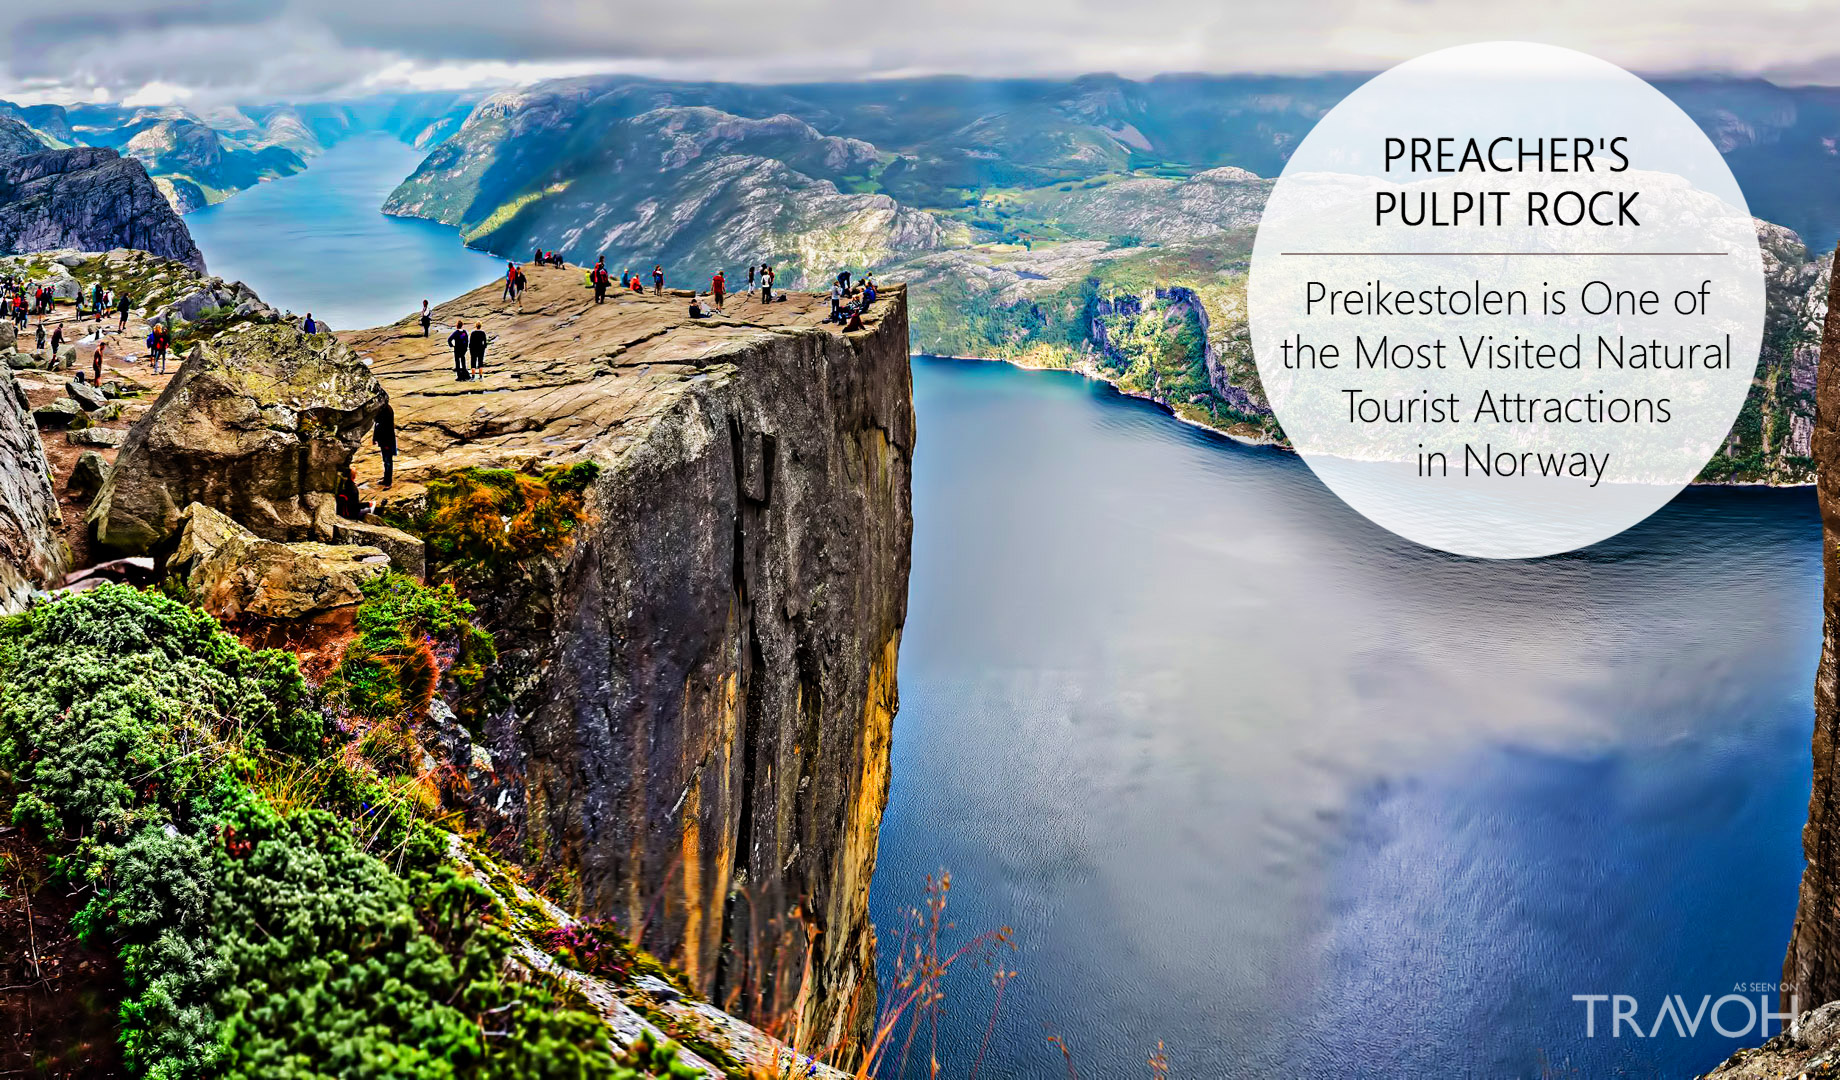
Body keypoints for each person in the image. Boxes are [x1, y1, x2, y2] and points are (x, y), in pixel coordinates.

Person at [373, 401, 397, 488]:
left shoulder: (387, 411)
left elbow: (388, 429)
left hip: (387, 441)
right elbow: (377, 425)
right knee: (385, 461)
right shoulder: (381, 410)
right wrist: (375, 438)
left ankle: (388, 482)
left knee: (388, 462)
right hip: (383, 440)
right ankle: (386, 479)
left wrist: (387, 443)